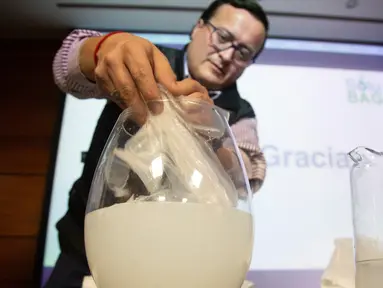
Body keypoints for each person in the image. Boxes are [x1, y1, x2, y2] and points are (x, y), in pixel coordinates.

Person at [46, 0, 269, 287]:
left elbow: (246, 176)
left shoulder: (239, 111)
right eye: (223, 37)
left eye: (243, 52)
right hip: (92, 247)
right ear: (199, 27)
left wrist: (211, 133)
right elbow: (67, 68)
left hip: (180, 255)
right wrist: (106, 48)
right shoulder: (147, 61)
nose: (226, 55)